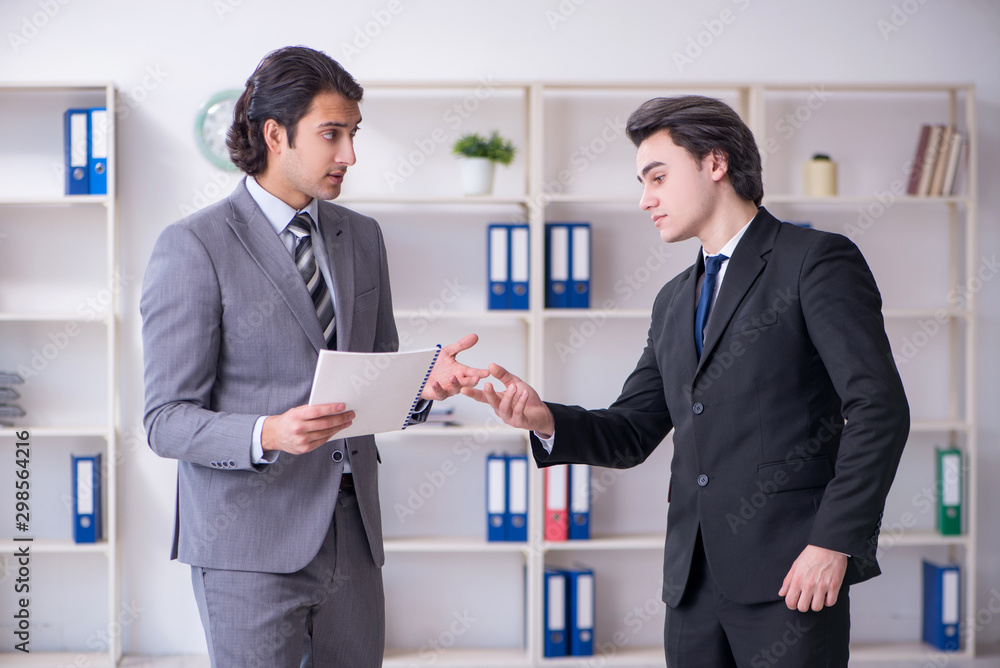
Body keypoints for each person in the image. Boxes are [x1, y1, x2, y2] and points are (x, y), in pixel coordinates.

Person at [464, 95, 909, 667]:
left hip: (793, 574)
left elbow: (878, 408)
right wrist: (542, 418)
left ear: (715, 163)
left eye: (658, 177)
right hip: (691, 585)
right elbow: (632, 430)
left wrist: (833, 543)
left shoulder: (815, 261)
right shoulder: (674, 300)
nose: (645, 199)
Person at [140, 46, 486, 668]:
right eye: (332, 135)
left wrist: (422, 386)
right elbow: (165, 419)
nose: (349, 155)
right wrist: (268, 431)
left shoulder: (363, 237)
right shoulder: (194, 245)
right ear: (275, 134)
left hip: (352, 539)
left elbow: (375, 377)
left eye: (353, 134)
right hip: (247, 544)